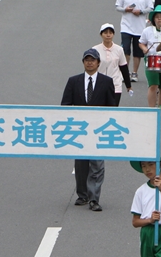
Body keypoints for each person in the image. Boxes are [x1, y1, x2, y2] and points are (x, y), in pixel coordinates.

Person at [61, 48, 117, 211]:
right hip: (79, 130)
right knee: (81, 165)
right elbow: (65, 105)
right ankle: (82, 195)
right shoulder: (74, 81)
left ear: (98, 63)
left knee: (97, 165)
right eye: (87, 60)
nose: (90, 62)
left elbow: (111, 106)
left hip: (99, 130)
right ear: (83, 62)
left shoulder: (106, 82)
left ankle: (94, 198)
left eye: (93, 60)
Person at [130, 158, 161, 257]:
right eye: (143, 166)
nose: (147, 169)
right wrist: (150, 220)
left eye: (150, 165)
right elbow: (135, 222)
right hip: (147, 232)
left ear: (160, 164)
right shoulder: (140, 191)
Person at [115, 0, 154, 83]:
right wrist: (125, 9)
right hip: (126, 26)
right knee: (125, 50)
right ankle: (125, 72)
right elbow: (117, 6)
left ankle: (134, 73)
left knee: (137, 52)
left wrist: (141, 11)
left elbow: (151, 8)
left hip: (140, 27)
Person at [140, 6, 161, 118]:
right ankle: (151, 110)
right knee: (153, 85)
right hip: (152, 59)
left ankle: (160, 109)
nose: (159, 19)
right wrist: (145, 50)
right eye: (157, 17)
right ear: (153, 19)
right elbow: (141, 43)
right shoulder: (147, 31)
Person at [94, 23, 133, 106]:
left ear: (113, 34)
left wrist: (128, 85)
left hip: (115, 85)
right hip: (99, 84)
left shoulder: (119, 50)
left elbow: (124, 67)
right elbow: (91, 68)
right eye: (105, 33)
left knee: (113, 109)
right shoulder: (95, 50)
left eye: (110, 33)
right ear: (101, 34)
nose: (108, 35)